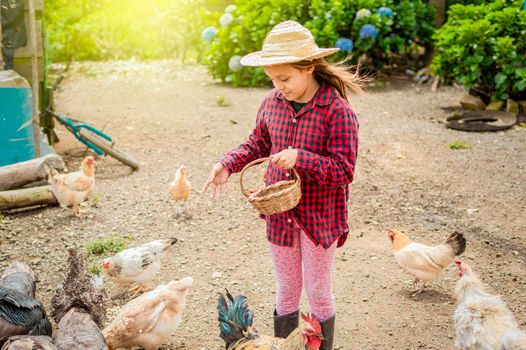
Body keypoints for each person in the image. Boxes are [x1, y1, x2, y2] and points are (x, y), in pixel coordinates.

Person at [202, 20, 363, 349]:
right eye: (273, 79)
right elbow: (257, 144)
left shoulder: (337, 111)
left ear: (308, 68)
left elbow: (343, 171)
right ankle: (284, 346)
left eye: (285, 78)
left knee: (318, 291)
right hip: (280, 217)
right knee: (286, 289)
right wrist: (227, 164)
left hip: (319, 219)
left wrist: (301, 158)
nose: (279, 86)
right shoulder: (271, 103)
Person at [1, 0, 27, 70]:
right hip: (5, 36)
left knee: (7, 62)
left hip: (11, 36)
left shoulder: (18, 3)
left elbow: (12, 18)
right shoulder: (4, 2)